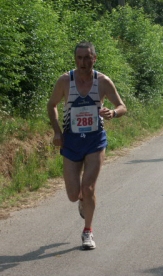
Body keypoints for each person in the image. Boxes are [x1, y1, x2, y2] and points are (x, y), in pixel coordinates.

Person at [47, 41, 127, 250]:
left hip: (95, 140)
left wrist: (113, 113)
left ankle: (88, 231)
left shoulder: (102, 81)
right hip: (71, 141)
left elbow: (122, 106)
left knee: (89, 187)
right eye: (79, 58)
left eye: (87, 57)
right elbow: (52, 105)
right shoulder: (65, 81)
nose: (83, 62)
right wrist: (57, 130)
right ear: (75, 59)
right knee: (74, 195)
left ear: (94, 58)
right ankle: (82, 200)